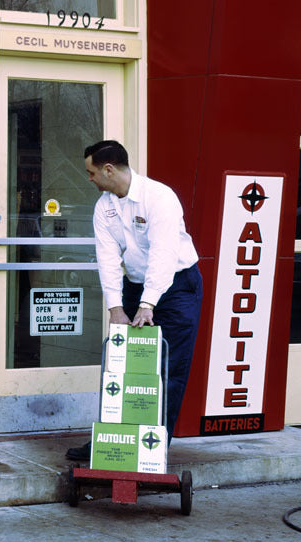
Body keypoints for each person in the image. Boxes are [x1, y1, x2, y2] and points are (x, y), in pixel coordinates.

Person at [66, 140, 202, 462]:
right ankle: (111, 441)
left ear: (109, 170)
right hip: (135, 285)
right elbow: (108, 258)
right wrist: (116, 308)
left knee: (167, 371)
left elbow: (164, 255)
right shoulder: (105, 206)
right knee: (121, 367)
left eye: (91, 172)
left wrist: (148, 305)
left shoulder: (159, 198)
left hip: (177, 288)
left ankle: (150, 452)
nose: (90, 179)